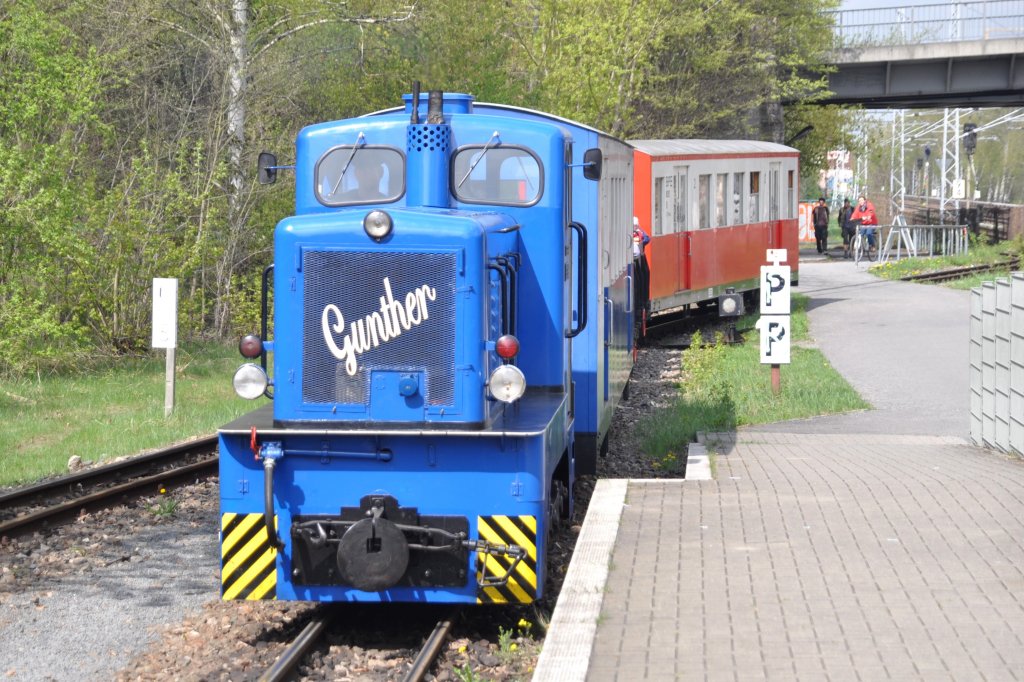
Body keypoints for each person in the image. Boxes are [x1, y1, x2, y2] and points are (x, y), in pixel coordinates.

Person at [632, 217, 651, 314]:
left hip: (640, 258)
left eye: (636, 225)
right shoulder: (630, 234)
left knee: (645, 274)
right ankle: (642, 302)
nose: (635, 227)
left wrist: (641, 242)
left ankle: (645, 301)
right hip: (637, 260)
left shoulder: (640, 232)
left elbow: (647, 238)